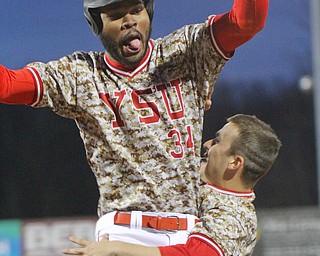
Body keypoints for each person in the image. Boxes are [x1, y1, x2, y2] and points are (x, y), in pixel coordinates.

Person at [0, 0, 269, 246]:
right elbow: (8, 86)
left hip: (187, 233)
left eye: (136, 10)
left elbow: (246, 22)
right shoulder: (81, 75)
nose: (129, 21)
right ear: (97, 24)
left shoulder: (185, 51)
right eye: (116, 15)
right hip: (121, 234)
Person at [61, 114, 282, 256]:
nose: (206, 144)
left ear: (235, 162)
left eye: (216, 141)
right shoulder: (198, 176)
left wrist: (117, 248)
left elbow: (194, 255)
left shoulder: (236, 215)